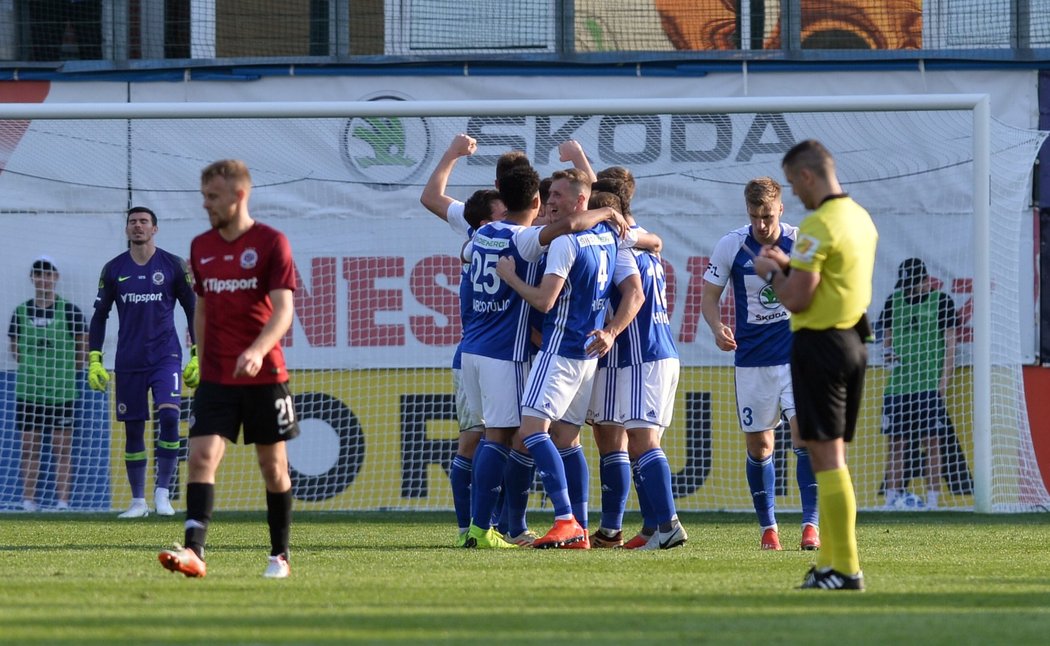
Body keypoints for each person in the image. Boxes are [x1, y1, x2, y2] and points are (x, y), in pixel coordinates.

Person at [462, 165, 630, 549]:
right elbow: (641, 249)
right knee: (566, 441)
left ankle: (561, 520)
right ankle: (578, 529)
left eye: (558, 196)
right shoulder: (607, 235)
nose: (550, 202)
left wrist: (510, 278)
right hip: (586, 354)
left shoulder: (531, 238)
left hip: (550, 350)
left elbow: (543, 297)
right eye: (547, 196)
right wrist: (610, 212)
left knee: (524, 433)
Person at [158, 159, 299, 579]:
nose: (206, 205)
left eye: (213, 197)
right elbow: (201, 305)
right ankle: (194, 551)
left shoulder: (272, 242)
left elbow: (284, 310)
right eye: (204, 197)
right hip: (217, 375)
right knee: (201, 456)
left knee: (272, 468)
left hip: (265, 374)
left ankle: (279, 555)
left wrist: (257, 349)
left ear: (239, 195)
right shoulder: (200, 247)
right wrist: (199, 354)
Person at [754, 140, 876, 591]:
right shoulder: (859, 218)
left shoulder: (818, 223)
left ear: (807, 176)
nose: (795, 195)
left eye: (793, 183)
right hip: (852, 340)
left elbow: (798, 297)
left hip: (821, 343)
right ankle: (830, 564)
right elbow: (830, 281)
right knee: (822, 449)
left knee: (827, 458)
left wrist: (771, 271)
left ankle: (843, 568)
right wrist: (789, 264)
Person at [701, 177, 820, 551]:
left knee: (805, 439)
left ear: (781, 209)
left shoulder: (801, 242)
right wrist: (717, 326)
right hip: (752, 360)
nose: (761, 224)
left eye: (767, 216)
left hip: (796, 357)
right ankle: (769, 528)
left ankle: (810, 526)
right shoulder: (732, 245)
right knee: (760, 448)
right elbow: (709, 297)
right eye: (755, 216)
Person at [585, 180, 687, 551]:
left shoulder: (622, 245)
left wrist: (611, 331)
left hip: (642, 355)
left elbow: (636, 295)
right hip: (644, 354)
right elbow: (653, 242)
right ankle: (648, 526)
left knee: (642, 441)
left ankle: (669, 524)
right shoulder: (640, 238)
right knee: (625, 438)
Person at [88, 206, 198, 519]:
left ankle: (163, 493)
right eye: (133, 222)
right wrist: (94, 359)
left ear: (155, 229)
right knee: (133, 431)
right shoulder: (113, 269)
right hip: (129, 360)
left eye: (144, 222)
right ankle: (138, 502)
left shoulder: (174, 265)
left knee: (169, 417)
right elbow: (99, 316)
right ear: (127, 229)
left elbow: (193, 310)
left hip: (166, 358)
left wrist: (198, 354)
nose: (138, 227)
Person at [877, 257, 959, 510]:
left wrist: (943, 381)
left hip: (928, 385)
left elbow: (950, 346)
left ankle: (933, 501)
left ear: (926, 281)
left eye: (914, 284)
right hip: (899, 387)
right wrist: (889, 355)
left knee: (932, 442)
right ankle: (891, 500)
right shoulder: (894, 301)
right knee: (896, 444)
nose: (909, 289)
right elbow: (886, 342)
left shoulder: (942, 301)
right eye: (906, 285)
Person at [8, 256, 88, 511]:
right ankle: (28, 500)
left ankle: (62, 502)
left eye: (48, 274)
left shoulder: (70, 311)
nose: (43, 279)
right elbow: (15, 350)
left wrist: (63, 372)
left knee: (61, 448)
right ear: (32, 279)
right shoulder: (21, 312)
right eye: (38, 274)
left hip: (62, 391)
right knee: (29, 447)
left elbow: (82, 349)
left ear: (56, 278)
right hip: (29, 390)